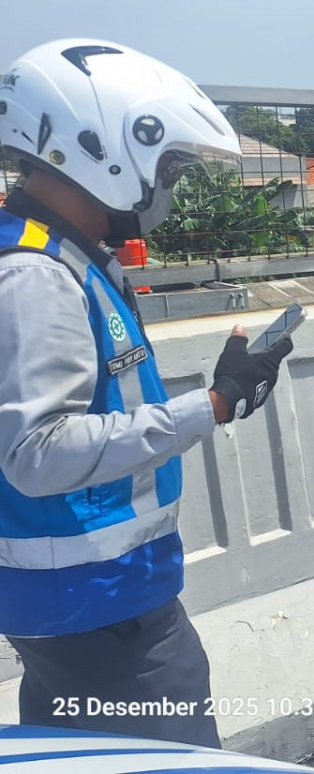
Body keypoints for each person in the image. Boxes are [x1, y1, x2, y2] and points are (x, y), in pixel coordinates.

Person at [0, 40, 293, 747]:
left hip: (92, 600)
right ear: (98, 148)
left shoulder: (64, 255)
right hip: (97, 607)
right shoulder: (36, 275)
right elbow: (36, 452)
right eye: (166, 166)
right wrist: (213, 405)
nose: (168, 186)